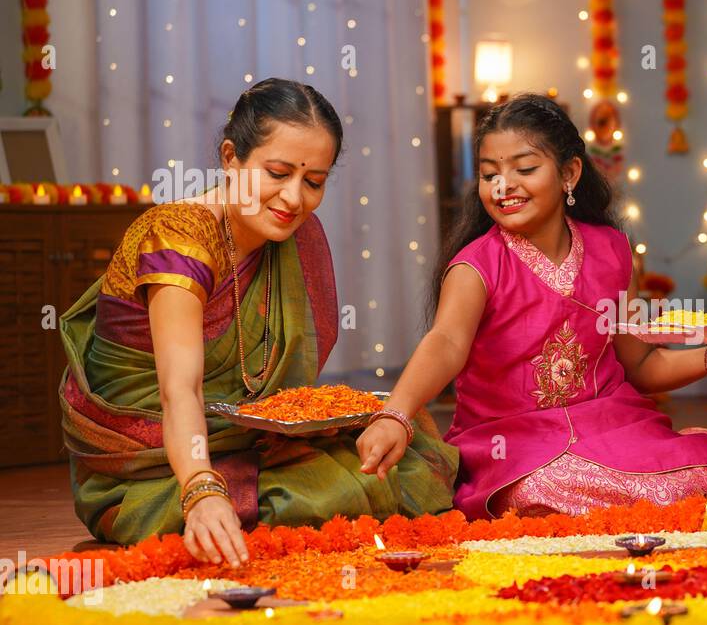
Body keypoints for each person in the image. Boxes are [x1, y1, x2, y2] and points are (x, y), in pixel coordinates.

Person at [60, 78, 458, 565]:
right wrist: (201, 490)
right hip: (145, 460)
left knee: (399, 454)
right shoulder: (178, 239)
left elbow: (273, 392)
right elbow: (178, 391)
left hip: (238, 434)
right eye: (277, 172)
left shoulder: (292, 239)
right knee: (328, 493)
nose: (294, 199)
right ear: (231, 158)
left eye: (314, 182)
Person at [356, 93, 707, 519]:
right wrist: (396, 415)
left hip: (612, 428)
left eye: (525, 169)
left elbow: (641, 364)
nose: (503, 186)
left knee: (705, 478)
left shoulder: (613, 251)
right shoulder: (475, 267)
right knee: (541, 495)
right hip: (512, 444)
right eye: (488, 174)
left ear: (569, 172)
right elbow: (445, 342)